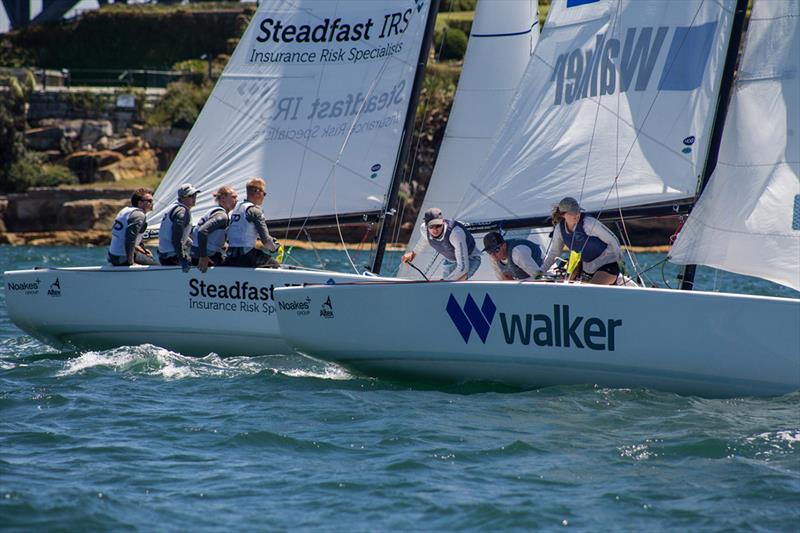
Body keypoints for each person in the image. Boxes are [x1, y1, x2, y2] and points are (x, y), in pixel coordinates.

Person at [541, 196, 623, 285]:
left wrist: (620, 261)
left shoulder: (588, 223)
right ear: (563, 214)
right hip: (587, 268)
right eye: (572, 212)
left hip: (607, 264)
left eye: (577, 211)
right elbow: (554, 253)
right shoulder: (559, 230)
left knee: (591, 291)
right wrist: (541, 271)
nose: (576, 215)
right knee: (572, 289)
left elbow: (613, 240)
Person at [401, 207, 481, 281]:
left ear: (442, 222)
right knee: (446, 287)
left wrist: (444, 282)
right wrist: (413, 253)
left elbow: (463, 269)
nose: (435, 230)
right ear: (426, 225)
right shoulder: (424, 229)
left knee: (453, 284)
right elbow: (424, 240)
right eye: (431, 226)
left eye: (438, 225)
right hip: (450, 261)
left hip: (470, 258)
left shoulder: (455, 233)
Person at [223, 177, 280, 268]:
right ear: (258, 192)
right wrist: (275, 248)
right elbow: (266, 241)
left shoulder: (236, 209)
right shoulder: (255, 211)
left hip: (231, 257)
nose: (264, 197)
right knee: (275, 265)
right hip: (246, 257)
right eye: (264, 194)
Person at [190, 186, 238, 273]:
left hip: (196, 254)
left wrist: (222, 244)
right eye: (233, 197)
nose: (237, 200)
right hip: (205, 257)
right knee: (237, 263)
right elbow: (202, 231)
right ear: (223, 199)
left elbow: (197, 232)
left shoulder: (214, 211)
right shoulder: (222, 216)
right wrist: (203, 257)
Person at [108, 188, 158, 266]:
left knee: (147, 257)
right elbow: (130, 240)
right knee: (156, 266)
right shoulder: (139, 215)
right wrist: (130, 263)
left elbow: (126, 237)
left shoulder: (126, 210)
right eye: (149, 201)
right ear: (140, 203)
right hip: (121, 257)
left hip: (112, 255)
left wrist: (143, 251)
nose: (152, 203)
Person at [158, 183, 198, 270]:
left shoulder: (173, 207)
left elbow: (180, 235)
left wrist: (191, 244)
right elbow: (176, 238)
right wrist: (182, 258)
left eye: (195, 195)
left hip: (165, 254)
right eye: (191, 195)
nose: (194, 198)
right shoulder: (181, 211)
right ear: (182, 197)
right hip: (172, 256)